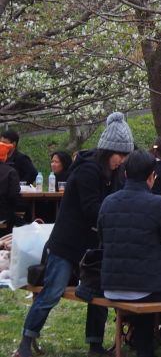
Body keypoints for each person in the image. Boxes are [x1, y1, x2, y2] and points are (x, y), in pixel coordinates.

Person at [15, 112, 134, 357]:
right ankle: (25, 342)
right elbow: (92, 209)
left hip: (94, 245)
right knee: (52, 292)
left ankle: (95, 344)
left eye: (125, 156)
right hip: (67, 244)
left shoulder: (115, 173)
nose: (121, 161)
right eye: (119, 155)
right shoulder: (87, 171)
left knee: (98, 295)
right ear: (107, 151)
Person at [98, 150, 161, 357]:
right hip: (142, 286)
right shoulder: (156, 203)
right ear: (152, 177)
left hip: (110, 285)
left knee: (146, 287)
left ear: (125, 174)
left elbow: (103, 238)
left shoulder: (108, 202)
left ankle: (146, 350)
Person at [1, 140, 20, 229]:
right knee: (24, 223)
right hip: (3, 215)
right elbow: (13, 194)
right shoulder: (10, 171)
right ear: (5, 156)